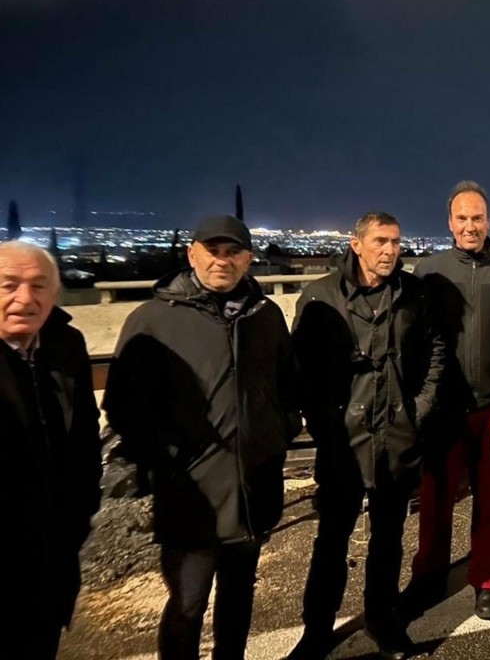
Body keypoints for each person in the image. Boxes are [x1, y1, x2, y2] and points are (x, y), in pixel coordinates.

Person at [103, 215, 300, 660]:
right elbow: (123, 408)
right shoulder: (153, 319)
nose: (222, 261)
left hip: (253, 487)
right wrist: (169, 458)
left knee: (239, 594)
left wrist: (278, 435)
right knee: (188, 603)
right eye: (213, 251)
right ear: (192, 254)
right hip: (190, 494)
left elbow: (288, 385)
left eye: (233, 252)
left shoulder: (265, 316)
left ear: (248, 259)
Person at [289, 212, 445, 660]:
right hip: (343, 442)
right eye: (380, 241)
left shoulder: (414, 293)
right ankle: (317, 629)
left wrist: (418, 410)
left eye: (395, 241)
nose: (390, 250)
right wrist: (324, 423)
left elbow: (435, 351)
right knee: (332, 540)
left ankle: (382, 619)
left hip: (396, 438)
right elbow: (301, 369)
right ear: (356, 244)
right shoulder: (321, 296)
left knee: (388, 539)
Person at [407, 181, 490, 620]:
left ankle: (487, 580)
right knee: (436, 498)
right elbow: (415, 339)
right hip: (444, 408)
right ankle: (429, 575)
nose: (470, 226)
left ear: (489, 221)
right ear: (450, 222)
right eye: (462, 218)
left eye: (477, 218)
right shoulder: (429, 271)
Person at [0, 241, 100, 659]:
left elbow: (85, 438)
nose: (25, 299)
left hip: (52, 562)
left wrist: (80, 516)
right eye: (8, 285)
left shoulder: (64, 345)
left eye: (39, 286)